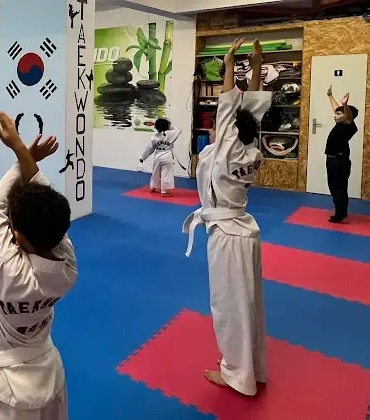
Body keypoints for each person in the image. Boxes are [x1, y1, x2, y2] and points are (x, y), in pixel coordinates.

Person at [182, 38, 271, 397]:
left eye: (221, 124)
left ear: (230, 130)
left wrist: (232, 63)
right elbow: (251, 108)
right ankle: (254, 367)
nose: (215, 128)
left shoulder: (226, 151)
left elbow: (233, 104)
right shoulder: (252, 147)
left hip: (227, 235)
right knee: (248, 304)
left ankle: (237, 374)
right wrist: (258, 63)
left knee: (228, 308)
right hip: (245, 231)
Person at [0, 110, 77, 420]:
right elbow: (46, 206)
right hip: (49, 369)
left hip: (12, 391)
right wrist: (22, 152)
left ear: (18, 235)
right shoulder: (66, 265)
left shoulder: (10, 272)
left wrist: (22, 151)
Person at [324, 85, 358, 223]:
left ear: (347, 116)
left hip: (339, 161)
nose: (335, 115)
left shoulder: (349, 126)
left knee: (339, 187)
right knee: (333, 186)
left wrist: (345, 105)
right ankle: (339, 210)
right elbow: (336, 108)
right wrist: (330, 96)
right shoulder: (340, 123)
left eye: (339, 114)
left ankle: (341, 213)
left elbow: (348, 116)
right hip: (332, 159)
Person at [139, 118, 182, 197]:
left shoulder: (154, 137)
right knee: (165, 173)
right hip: (167, 155)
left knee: (155, 172)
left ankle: (153, 187)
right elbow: (179, 129)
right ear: (167, 126)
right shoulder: (171, 134)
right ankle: (163, 191)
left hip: (158, 155)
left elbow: (149, 149)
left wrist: (143, 157)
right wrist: (169, 126)